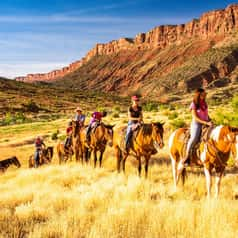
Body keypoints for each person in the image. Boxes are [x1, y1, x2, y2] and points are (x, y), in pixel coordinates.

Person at [182, 88, 213, 165]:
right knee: (194, 138)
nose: (204, 96)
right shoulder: (194, 104)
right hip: (196, 124)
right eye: (203, 94)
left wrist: (209, 120)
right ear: (199, 95)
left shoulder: (204, 103)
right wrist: (205, 122)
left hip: (206, 123)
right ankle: (187, 156)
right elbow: (195, 117)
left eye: (205, 94)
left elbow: (206, 114)